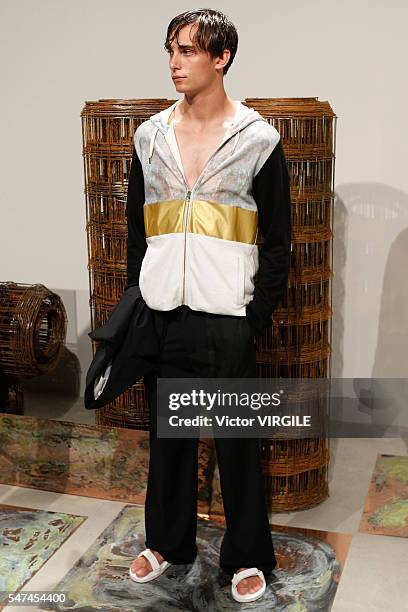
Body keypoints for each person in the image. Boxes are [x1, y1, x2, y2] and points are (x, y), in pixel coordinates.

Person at [126, 8, 291, 604]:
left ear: (221, 58)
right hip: (165, 312)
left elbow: (279, 244)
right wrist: (139, 305)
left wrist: (253, 319)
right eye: (171, 49)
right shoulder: (149, 138)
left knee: (235, 445)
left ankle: (249, 556)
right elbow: (135, 234)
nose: (175, 62)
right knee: (169, 441)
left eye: (189, 50)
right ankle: (168, 542)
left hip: (228, 319)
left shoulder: (258, 140)